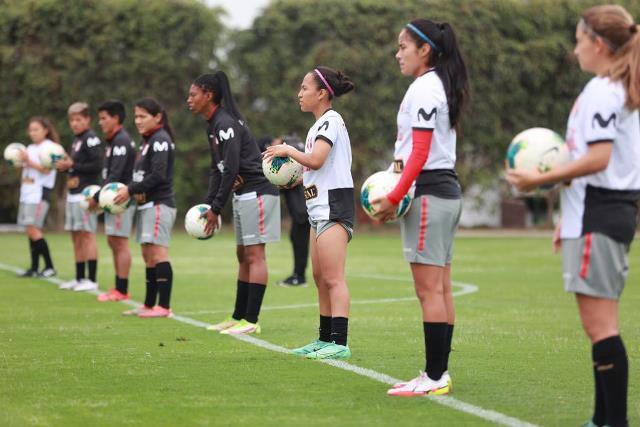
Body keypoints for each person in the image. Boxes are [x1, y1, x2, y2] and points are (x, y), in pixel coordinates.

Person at [508, 6, 639, 426]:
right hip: (598, 214)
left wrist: (538, 180)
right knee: (600, 326)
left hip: (600, 215)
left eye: (579, 39)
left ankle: (611, 422)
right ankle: (602, 420)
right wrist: (568, 216)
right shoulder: (612, 88)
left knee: (601, 327)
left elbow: (598, 159)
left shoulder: (605, 89)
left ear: (598, 44)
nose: (575, 48)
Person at [373, 19, 469, 396]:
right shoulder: (437, 85)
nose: (398, 54)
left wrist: (394, 196)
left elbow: (421, 151)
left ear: (424, 50)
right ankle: (437, 372)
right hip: (443, 193)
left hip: (428, 195)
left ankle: (433, 377)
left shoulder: (425, 88)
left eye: (403, 46)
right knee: (441, 289)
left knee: (430, 291)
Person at [264, 66, 355, 359]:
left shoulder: (331, 121)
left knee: (333, 278)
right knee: (319, 277)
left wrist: (287, 151)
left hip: (334, 206)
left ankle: (339, 343)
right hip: (318, 208)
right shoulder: (317, 126)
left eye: (304, 88)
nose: (299, 94)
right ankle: (323, 339)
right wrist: (289, 176)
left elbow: (316, 160)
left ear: (322, 93)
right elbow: (313, 170)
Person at [187, 71, 281, 335]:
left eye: (193, 94)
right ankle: (238, 316)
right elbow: (217, 169)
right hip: (243, 195)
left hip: (259, 192)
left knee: (255, 255)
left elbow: (231, 169)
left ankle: (251, 320)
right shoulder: (213, 125)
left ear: (209, 95)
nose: (189, 99)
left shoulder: (226, 123)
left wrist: (217, 208)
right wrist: (208, 204)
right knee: (242, 255)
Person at [116, 98, 177, 318]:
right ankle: (149, 304)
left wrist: (129, 189)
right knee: (148, 255)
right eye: (136, 116)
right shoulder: (147, 141)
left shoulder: (160, 139)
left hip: (159, 204)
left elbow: (159, 175)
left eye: (143, 116)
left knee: (159, 254)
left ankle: (164, 307)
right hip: (146, 205)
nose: (138, 121)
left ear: (157, 117)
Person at [56, 102, 103, 292]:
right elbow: (74, 165)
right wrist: (65, 166)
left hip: (86, 195)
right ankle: (79, 278)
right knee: (76, 236)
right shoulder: (76, 140)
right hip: (73, 194)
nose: (75, 124)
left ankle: (91, 280)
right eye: (72, 120)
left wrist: (72, 166)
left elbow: (97, 165)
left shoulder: (91, 139)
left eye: (79, 120)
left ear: (87, 120)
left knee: (87, 236)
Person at [93, 100, 137, 302]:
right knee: (113, 241)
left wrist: (96, 196)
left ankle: (122, 289)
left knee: (120, 242)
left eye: (104, 118)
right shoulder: (113, 140)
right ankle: (118, 286)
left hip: (121, 200)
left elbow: (116, 174)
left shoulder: (121, 141)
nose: (100, 122)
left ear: (116, 118)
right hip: (112, 199)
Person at [257, 135, 310, 287]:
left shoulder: (290, 146)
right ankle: (298, 275)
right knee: (296, 237)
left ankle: (299, 277)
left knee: (300, 240)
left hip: (303, 208)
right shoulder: (292, 147)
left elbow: (300, 163)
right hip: (301, 209)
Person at [17, 117, 59, 278]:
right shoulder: (29, 148)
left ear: (45, 130)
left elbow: (47, 170)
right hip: (27, 192)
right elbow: (27, 171)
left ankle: (49, 267)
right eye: (31, 130)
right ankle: (34, 267)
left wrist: (29, 161)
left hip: (40, 193)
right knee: (30, 230)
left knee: (33, 228)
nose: (32, 133)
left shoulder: (52, 148)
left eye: (36, 129)